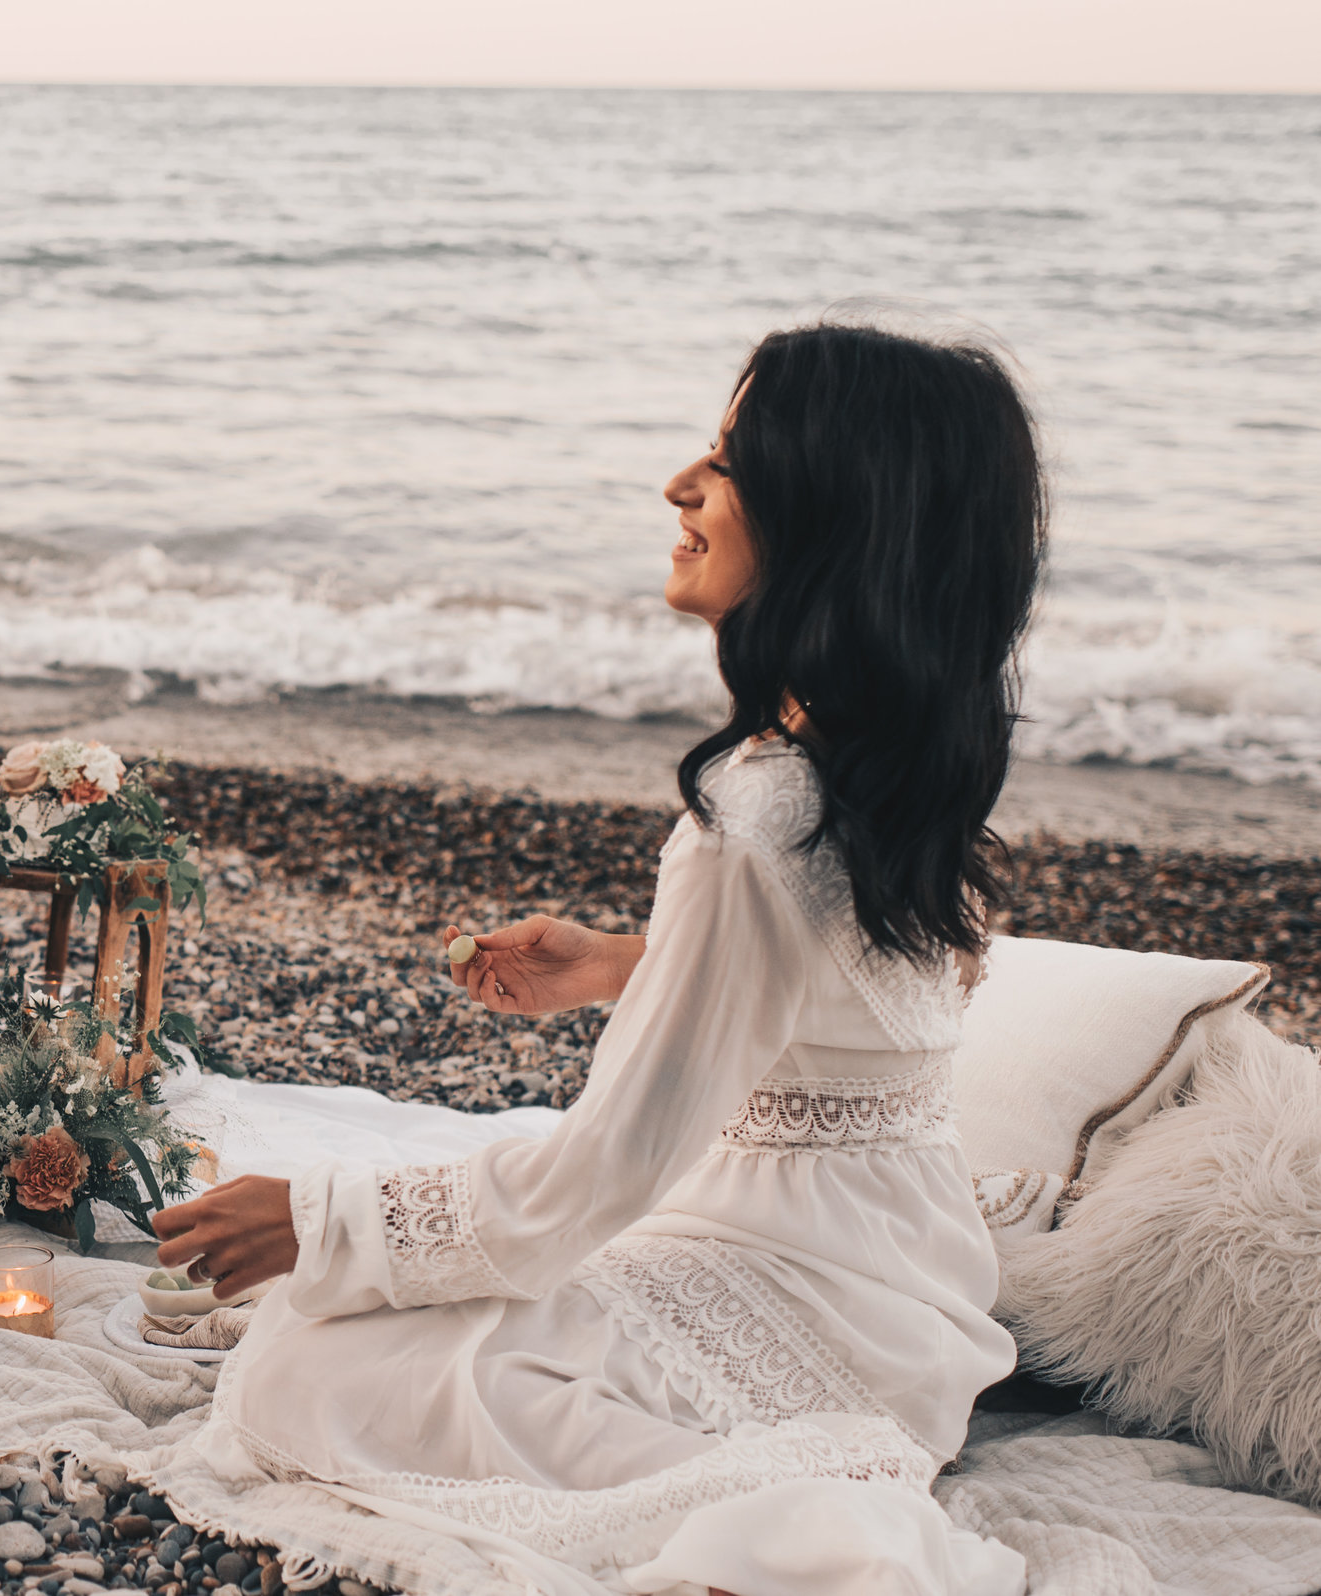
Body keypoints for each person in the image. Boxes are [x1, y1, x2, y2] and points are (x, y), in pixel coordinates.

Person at [151, 322, 1047, 1595]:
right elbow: (876, 1002)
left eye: (732, 461)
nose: (681, 484)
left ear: (833, 515)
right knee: (390, 1307)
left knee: (313, 1354)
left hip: (816, 1306)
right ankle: (801, 1455)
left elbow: (605, 1169)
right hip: (910, 1307)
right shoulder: (883, 761)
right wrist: (633, 964)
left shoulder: (758, 817)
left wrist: (317, 1218)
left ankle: (807, 1497)